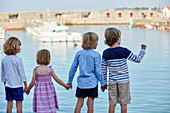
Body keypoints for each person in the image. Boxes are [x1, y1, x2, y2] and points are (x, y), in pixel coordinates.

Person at [102, 27, 147, 113]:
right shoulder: (124, 51)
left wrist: (104, 83)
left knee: (112, 103)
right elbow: (137, 59)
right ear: (118, 39)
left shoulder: (105, 53)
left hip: (112, 82)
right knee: (123, 103)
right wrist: (143, 50)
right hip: (124, 81)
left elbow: (103, 70)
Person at [67, 32, 107, 113]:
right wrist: (103, 83)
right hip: (92, 83)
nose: (97, 43)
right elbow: (98, 72)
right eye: (96, 42)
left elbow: (73, 69)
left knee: (79, 103)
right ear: (92, 43)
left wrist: (69, 81)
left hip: (81, 83)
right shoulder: (96, 55)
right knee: (90, 103)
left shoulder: (79, 54)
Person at [1, 37, 27, 113]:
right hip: (18, 86)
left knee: (9, 104)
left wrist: (4, 83)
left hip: (8, 86)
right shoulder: (18, 60)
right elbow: (22, 73)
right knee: (19, 104)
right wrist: (25, 84)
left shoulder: (4, 59)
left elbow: (2, 74)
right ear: (16, 48)